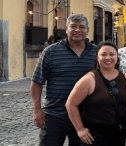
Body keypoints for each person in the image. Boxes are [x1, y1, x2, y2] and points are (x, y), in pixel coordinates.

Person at [31, 14, 96, 146]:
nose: (77, 30)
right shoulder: (51, 52)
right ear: (66, 28)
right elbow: (37, 81)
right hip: (54, 116)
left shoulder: (97, 53)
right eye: (73, 26)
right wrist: (37, 110)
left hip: (85, 117)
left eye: (82, 27)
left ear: (88, 30)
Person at [66, 41, 126, 145]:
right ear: (97, 58)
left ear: (117, 57)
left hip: (119, 134)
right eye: (103, 54)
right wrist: (80, 129)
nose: (108, 58)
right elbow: (71, 104)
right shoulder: (89, 79)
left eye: (112, 54)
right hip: (94, 136)